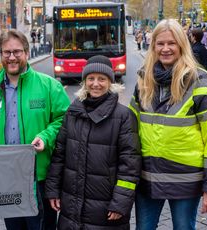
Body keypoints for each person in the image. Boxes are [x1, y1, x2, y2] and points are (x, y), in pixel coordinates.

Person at [129, 19, 207, 230]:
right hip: (147, 178)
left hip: (186, 180)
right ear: (153, 45)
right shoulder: (143, 81)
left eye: (172, 43)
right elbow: (129, 128)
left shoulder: (201, 82)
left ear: (182, 45)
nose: (166, 49)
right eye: (160, 43)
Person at [0, 29, 70, 230]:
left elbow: (64, 119)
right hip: (6, 177)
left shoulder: (49, 86)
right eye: (6, 52)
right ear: (0, 54)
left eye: (17, 52)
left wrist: (46, 136)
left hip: (40, 176)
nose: (12, 57)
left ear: (26, 52)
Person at [45, 55, 141, 229]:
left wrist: (120, 202)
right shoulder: (73, 112)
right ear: (84, 81)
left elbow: (130, 166)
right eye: (91, 78)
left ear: (110, 82)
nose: (95, 84)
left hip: (106, 210)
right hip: (71, 207)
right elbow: (59, 155)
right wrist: (53, 190)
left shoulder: (124, 116)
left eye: (102, 79)